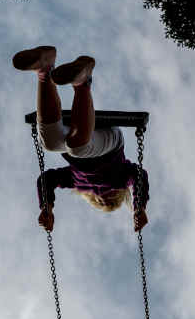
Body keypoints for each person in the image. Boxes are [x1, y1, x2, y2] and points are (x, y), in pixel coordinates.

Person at [13, 46, 149, 232]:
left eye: (100, 203)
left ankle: (44, 69)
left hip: (80, 142)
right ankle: (83, 82)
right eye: (110, 202)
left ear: (90, 198)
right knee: (78, 148)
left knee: (51, 143)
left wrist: (47, 207)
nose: (102, 198)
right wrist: (139, 207)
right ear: (121, 195)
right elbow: (139, 176)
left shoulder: (75, 181)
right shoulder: (122, 179)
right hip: (110, 146)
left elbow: (47, 179)